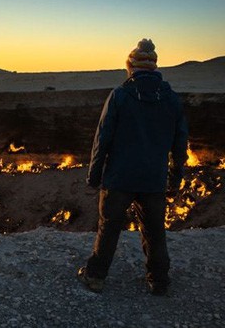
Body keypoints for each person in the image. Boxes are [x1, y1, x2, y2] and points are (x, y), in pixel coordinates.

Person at [77, 38, 188, 296]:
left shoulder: (120, 96)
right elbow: (180, 143)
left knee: (109, 228)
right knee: (155, 231)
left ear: (131, 66)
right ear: (154, 67)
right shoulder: (171, 99)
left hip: (119, 178)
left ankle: (95, 277)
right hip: (153, 180)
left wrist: (94, 176)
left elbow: (102, 138)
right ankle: (159, 281)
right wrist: (175, 178)